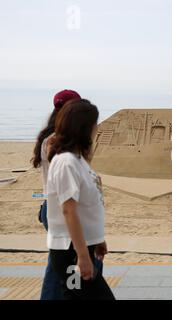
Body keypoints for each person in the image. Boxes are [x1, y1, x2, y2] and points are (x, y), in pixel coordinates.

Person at [46, 99, 114, 300]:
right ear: (84, 127)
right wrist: (82, 255)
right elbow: (69, 210)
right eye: (94, 123)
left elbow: (87, 205)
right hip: (70, 251)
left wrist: (97, 239)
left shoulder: (77, 160)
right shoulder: (66, 162)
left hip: (81, 247)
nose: (97, 128)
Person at [31, 89, 83, 300]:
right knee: (63, 267)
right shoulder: (56, 141)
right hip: (61, 211)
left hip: (53, 208)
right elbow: (66, 182)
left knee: (59, 266)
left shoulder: (50, 137)